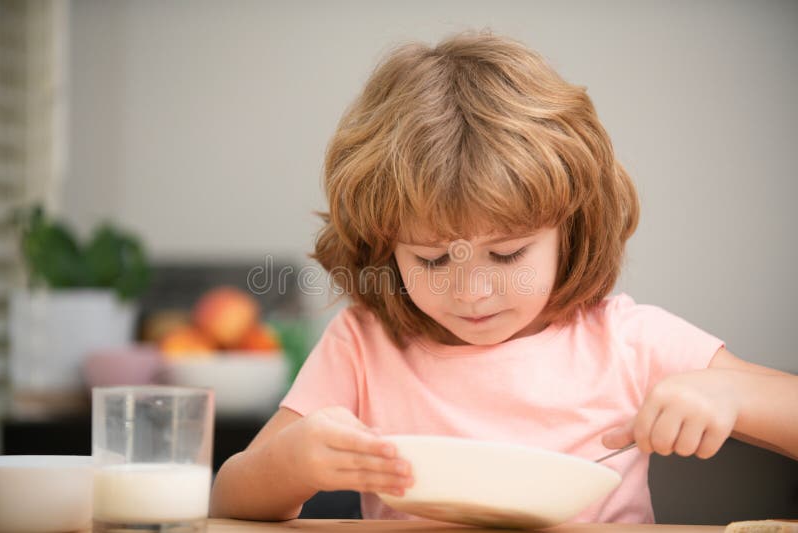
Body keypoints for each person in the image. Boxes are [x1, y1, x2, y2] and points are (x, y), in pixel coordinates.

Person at [210, 31, 797, 523]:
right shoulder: (363, 344)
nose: (472, 292)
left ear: (572, 227)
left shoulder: (625, 340)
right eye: (433, 261)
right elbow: (227, 500)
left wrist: (733, 394)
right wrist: (294, 464)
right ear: (384, 249)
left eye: (510, 254)